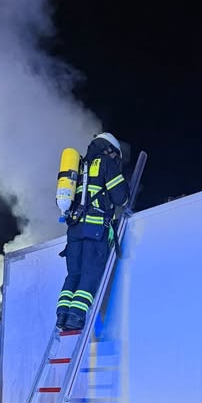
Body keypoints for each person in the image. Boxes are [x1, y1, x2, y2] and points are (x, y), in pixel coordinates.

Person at [56, 132, 130, 331]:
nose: (115, 159)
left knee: (73, 275)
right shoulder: (105, 163)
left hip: (74, 232)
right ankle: (76, 316)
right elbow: (121, 198)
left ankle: (62, 315)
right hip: (95, 231)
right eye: (115, 155)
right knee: (91, 274)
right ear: (108, 149)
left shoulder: (79, 166)